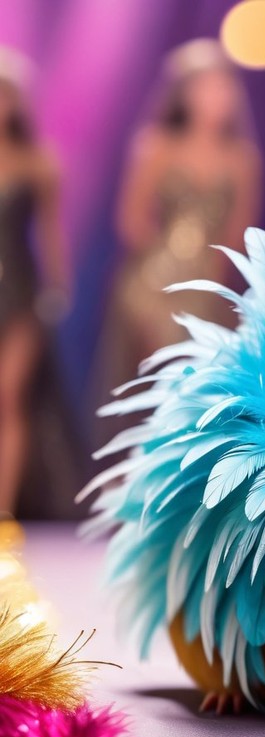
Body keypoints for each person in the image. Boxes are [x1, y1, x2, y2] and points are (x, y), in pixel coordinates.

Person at [95, 39, 262, 419]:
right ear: (183, 94)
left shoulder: (242, 161)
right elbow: (131, 220)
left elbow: (239, 234)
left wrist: (205, 280)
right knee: (151, 384)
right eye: (205, 86)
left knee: (191, 392)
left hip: (204, 287)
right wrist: (163, 271)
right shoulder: (156, 146)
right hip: (149, 283)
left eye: (223, 86)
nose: (216, 97)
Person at [0, 47, 71, 519]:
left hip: (20, 292)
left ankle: (3, 508)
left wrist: (58, 286)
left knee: (9, 396)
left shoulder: (38, 163)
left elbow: (49, 231)